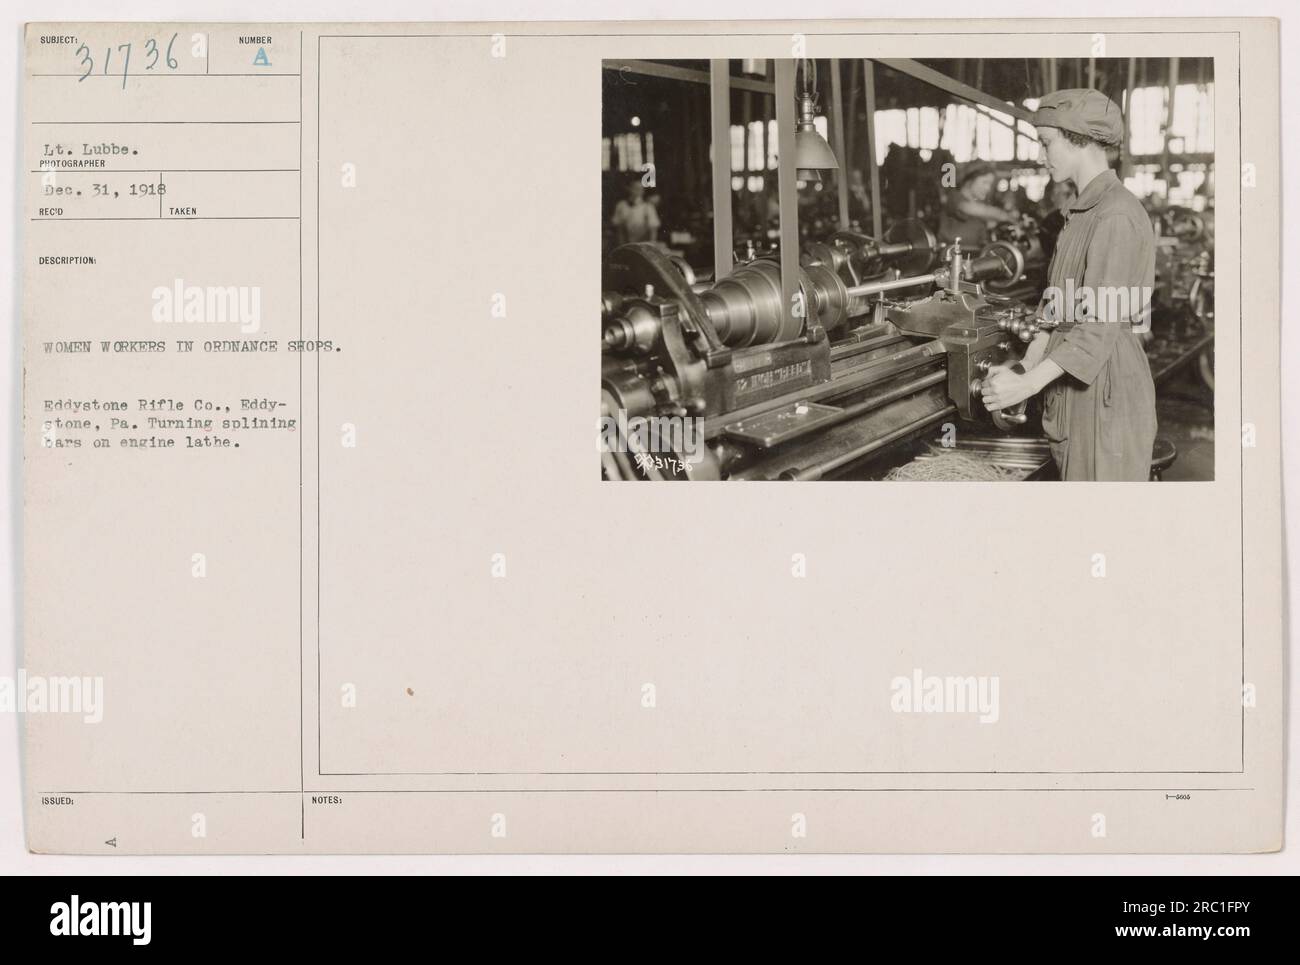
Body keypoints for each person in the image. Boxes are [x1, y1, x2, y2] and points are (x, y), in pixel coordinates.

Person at [980, 89, 1157, 481]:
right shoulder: (1078, 215)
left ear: (1081, 140)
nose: (1041, 157)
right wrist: (1024, 367)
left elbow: (1096, 331)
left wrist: (1026, 386)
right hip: (1075, 387)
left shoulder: (1115, 216)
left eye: (1047, 144)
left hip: (1106, 391)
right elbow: (1057, 311)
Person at [938, 161, 1018, 248]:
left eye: (990, 184)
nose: (987, 188)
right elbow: (977, 210)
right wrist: (1007, 216)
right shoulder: (955, 197)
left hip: (974, 255)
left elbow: (987, 223)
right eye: (984, 182)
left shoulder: (979, 204)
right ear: (970, 181)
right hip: (951, 255)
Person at [611, 176, 660, 245]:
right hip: (626, 245)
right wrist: (622, 247)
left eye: (640, 189)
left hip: (643, 246)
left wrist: (650, 247)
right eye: (635, 188)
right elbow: (619, 230)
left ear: (643, 191)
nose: (637, 192)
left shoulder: (648, 207)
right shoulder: (621, 206)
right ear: (629, 189)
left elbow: (653, 231)